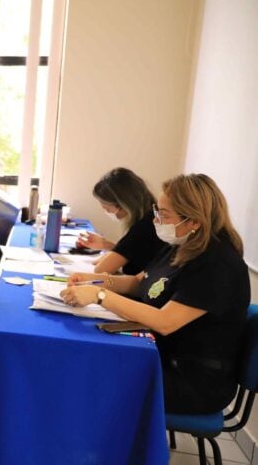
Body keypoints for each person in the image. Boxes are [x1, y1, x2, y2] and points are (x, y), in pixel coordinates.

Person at [61, 174, 250, 414]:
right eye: (157, 211)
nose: (156, 220)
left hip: (193, 380)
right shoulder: (181, 247)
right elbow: (137, 283)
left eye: (164, 214)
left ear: (194, 221)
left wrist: (99, 295)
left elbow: (165, 322)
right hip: (162, 357)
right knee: (87, 361)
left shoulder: (217, 263)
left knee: (92, 379)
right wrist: (91, 280)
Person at [75, 167, 165, 275]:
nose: (106, 212)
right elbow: (133, 252)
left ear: (121, 205)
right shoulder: (150, 215)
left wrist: (108, 248)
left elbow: (101, 270)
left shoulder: (144, 226)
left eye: (107, 208)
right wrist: (106, 245)